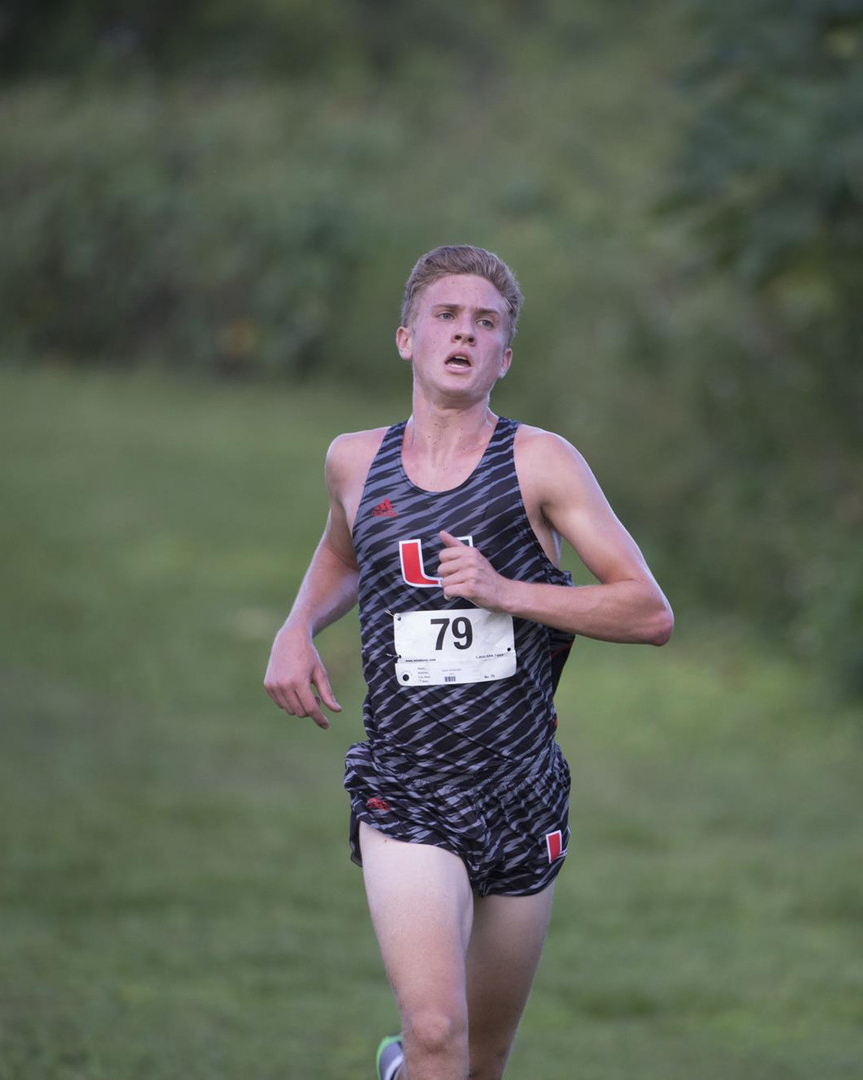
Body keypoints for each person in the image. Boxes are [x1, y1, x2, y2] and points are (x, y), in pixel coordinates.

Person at [263, 245, 672, 1080]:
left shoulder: (539, 463)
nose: (464, 333)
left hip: (520, 790)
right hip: (406, 785)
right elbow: (343, 554)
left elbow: (647, 610)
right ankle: (414, 1061)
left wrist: (507, 590)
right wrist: (296, 626)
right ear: (407, 338)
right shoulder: (354, 460)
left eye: (486, 323)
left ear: (504, 358)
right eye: (446, 316)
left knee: (480, 1063)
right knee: (437, 1032)